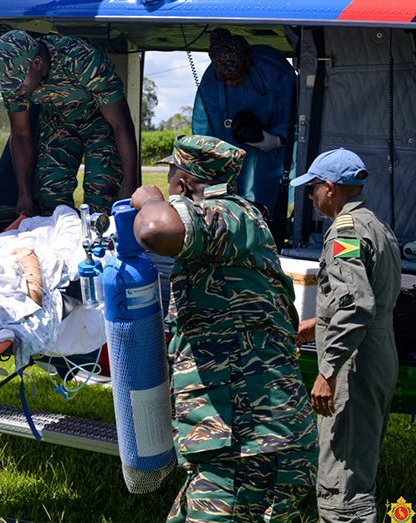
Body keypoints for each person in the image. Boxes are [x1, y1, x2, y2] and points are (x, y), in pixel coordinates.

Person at [130, 135, 318, 522]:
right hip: (242, 436)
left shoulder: (229, 215)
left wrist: (149, 201)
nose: (166, 189)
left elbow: (153, 228)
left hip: (254, 438)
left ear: (182, 185)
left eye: (170, 180)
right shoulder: (229, 228)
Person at [291, 149, 401, 523]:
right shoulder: (376, 225)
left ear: (330, 187)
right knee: (359, 461)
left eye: (312, 190)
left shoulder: (344, 233)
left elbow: (354, 305)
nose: (310, 197)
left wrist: (327, 372)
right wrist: (316, 325)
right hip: (377, 352)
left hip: (353, 366)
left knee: (342, 478)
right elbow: (370, 297)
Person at [0, 30, 139, 216]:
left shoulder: (82, 58)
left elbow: (121, 124)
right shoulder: (14, 80)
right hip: (58, 122)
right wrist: (24, 193)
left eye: (18, 83)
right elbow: (21, 133)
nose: (15, 90)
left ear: (37, 63)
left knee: (102, 194)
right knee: (51, 195)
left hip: (99, 123)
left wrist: (130, 185)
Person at [192, 28, 295, 215]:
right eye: (225, 79)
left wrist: (277, 139)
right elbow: (204, 124)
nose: (230, 83)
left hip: (271, 139)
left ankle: (268, 220)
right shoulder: (210, 81)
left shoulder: (274, 70)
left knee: (269, 181)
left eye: (236, 76)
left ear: (246, 63)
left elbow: (293, 109)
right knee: (229, 184)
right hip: (228, 142)